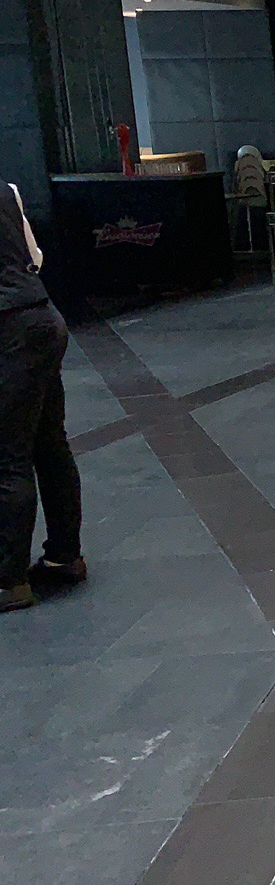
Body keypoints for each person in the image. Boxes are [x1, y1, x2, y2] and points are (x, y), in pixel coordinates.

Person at [0, 184, 83, 613]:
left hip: (10, 330)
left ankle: (9, 581)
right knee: (50, 444)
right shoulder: (9, 191)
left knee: (8, 457)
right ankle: (64, 557)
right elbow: (35, 258)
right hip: (41, 319)